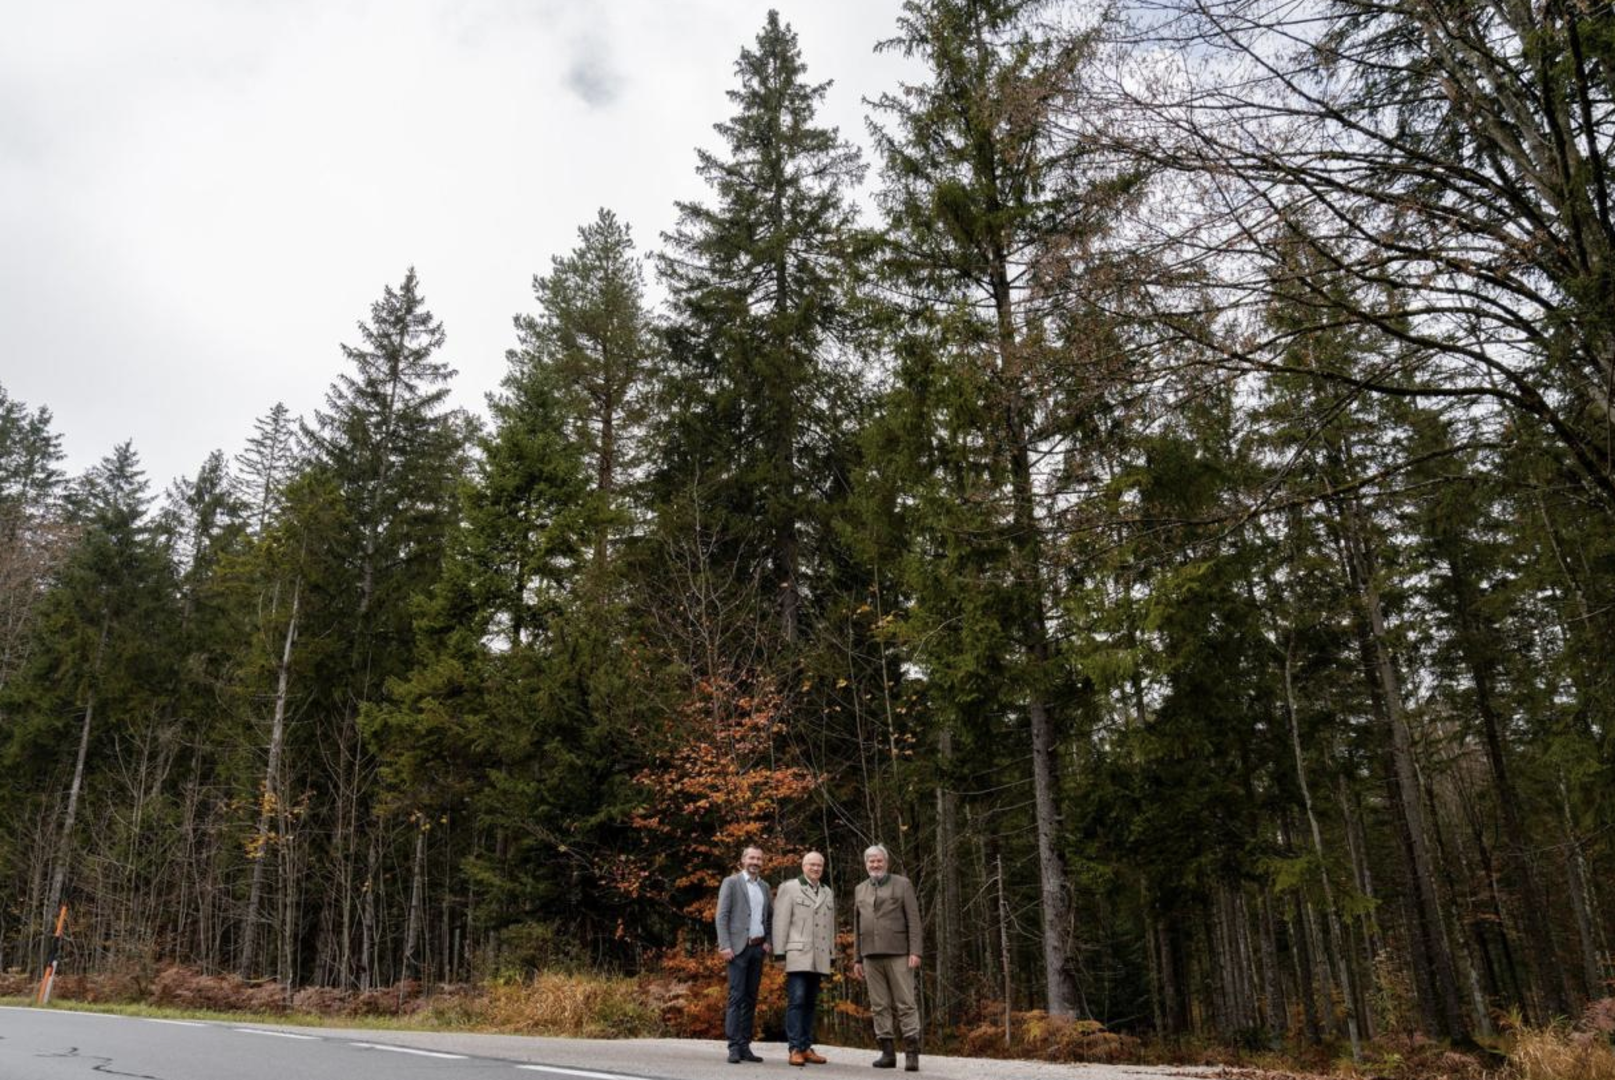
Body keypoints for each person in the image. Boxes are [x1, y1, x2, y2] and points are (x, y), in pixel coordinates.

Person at [851, 843, 922, 1071]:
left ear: (886, 862)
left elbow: (913, 919)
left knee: (906, 1003)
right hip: (870, 955)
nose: (875, 864)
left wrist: (915, 951)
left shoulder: (902, 884)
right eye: (871, 860)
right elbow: (857, 925)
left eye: (878, 860)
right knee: (878, 1005)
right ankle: (887, 1052)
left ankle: (911, 1053)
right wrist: (857, 958)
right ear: (865, 864)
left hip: (899, 953)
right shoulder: (860, 889)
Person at [772, 851, 834, 1067]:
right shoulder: (789, 888)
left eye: (819, 865)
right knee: (797, 1000)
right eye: (812, 864)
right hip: (797, 954)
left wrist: (831, 953)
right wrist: (779, 953)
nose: (816, 868)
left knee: (810, 1002)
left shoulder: (827, 892)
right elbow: (780, 922)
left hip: (819, 956)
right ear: (803, 865)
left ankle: (807, 1047)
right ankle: (795, 1048)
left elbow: (830, 926)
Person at [716, 845, 773, 1064]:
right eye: (752, 857)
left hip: (758, 950)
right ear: (743, 860)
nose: (755, 862)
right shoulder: (731, 883)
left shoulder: (765, 887)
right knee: (736, 997)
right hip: (737, 950)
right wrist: (724, 945)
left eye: (759, 858)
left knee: (751, 998)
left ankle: (745, 1045)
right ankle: (733, 1046)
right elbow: (721, 916)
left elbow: (768, 918)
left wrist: (768, 941)